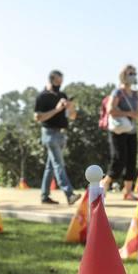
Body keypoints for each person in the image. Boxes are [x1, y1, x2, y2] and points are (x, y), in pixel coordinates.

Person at [34, 70, 81, 206]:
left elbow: (72, 116)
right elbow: (38, 117)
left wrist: (71, 108)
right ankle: (69, 194)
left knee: (51, 166)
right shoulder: (42, 97)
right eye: (58, 82)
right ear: (52, 79)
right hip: (49, 134)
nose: (59, 85)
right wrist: (57, 109)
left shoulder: (62, 95)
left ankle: (45, 196)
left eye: (61, 82)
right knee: (59, 164)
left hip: (61, 134)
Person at [104, 65, 138, 199]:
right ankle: (104, 184)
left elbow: (137, 112)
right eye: (130, 73)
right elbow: (110, 110)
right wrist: (128, 113)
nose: (133, 76)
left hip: (131, 130)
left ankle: (128, 192)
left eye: (134, 73)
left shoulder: (136, 94)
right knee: (119, 159)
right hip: (118, 131)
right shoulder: (117, 93)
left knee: (132, 160)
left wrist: (136, 114)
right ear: (123, 75)